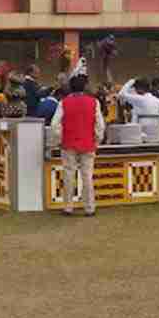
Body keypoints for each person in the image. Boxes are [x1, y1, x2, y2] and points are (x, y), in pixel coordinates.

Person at [50, 74, 106, 217]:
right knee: (87, 176)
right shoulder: (94, 102)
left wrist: (59, 139)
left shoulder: (63, 102)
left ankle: (68, 207)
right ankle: (89, 207)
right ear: (85, 86)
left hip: (68, 143)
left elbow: (54, 124)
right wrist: (97, 140)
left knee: (68, 175)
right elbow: (100, 125)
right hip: (88, 143)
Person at [118, 77, 159, 143]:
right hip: (157, 137)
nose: (135, 90)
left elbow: (121, 94)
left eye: (135, 88)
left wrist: (131, 81)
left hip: (140, 138)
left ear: (140, 88)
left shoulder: (140, 99)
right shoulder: (158, 101)